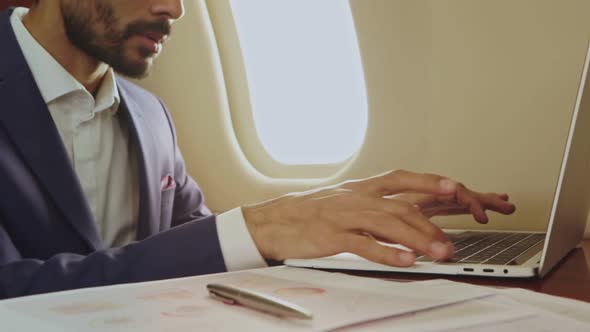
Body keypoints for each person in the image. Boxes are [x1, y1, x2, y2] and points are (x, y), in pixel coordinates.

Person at [0, 0, 515, 300]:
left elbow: (193, 242)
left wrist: (342, 219)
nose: (173, 9)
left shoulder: (149, 115)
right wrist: (260, 225)